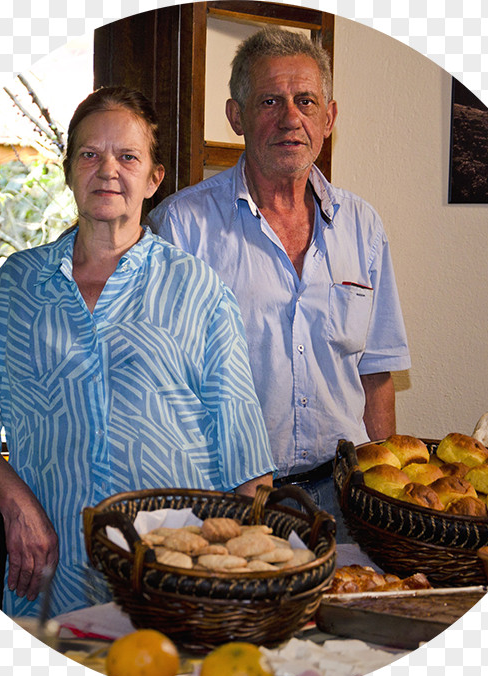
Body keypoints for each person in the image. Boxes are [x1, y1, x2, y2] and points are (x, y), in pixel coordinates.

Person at [0, 86, 275, 618]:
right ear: (69, 171)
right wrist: (16, 503)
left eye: (128, 157)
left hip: (175, 584)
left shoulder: (199, 290)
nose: (107, 169)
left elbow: (248, 466)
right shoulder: (16, 288)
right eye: (90, 154)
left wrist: (237, 582)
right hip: (51, 575)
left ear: (154, 179)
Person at [147, 28, 410, 541]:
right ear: (236, 116)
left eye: (306, 101)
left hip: (345, 500)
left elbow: (377, 375)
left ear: (328, 118)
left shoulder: (363, 226)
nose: (291, 117)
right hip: (224, 503)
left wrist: (384, 505)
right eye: (270, 100)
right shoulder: (182, 227)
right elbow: (158, 389)